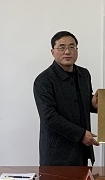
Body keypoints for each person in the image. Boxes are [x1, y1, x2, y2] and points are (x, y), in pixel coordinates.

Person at [33, 31, 99, 166]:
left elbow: (81, 102)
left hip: (82, 150)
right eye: (61, 47)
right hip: (57, 153)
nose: (67, 52)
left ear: (77, 50)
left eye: (71, 47)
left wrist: (93, 104)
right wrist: (81, 134)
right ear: (52, 51)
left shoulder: (84, 74)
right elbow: (49, 117)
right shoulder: (44, 80)